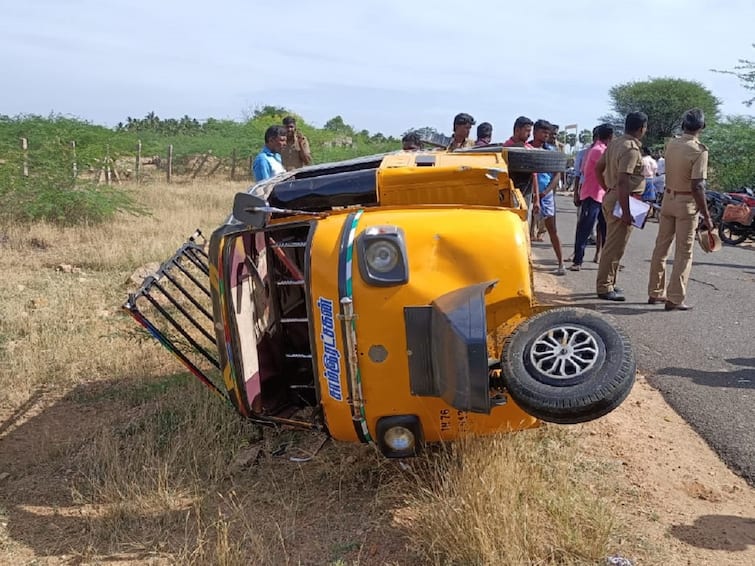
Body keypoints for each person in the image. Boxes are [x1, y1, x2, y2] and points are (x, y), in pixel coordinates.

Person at [647, 108, 713, 311]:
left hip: (668, 198)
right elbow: (698, 186)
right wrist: (707, 216)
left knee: (661, 247)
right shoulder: (699, 151)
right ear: (701, 127)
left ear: (683, 125)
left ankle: (655, 292)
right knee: (684, 252)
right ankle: (675, 298)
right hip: (686, 203)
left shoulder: (672, 144)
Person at [594, 111, 648, 301]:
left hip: (614, 196)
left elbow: (597, 168)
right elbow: (624, 180)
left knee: (616, 245)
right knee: (614, 246)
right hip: (622, 200)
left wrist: (608, 188)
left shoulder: (615, 143)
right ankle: (604, 287)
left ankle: (610, 282)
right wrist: (626, 211)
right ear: (642, 128)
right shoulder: (630, 149)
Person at [569, 123, 613, 271]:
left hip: (598, 194)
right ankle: (578, 260)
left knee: (603, 229)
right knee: (586, 229)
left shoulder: (593, 150)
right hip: (593, 194)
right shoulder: (599, 151)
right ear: (610, 136)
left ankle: (606, 260)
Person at [530, 119, 565, 275]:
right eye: (543, 132)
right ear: (535, 131)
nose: (546, 135)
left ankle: (561, 263)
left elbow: (557, 174)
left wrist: (546, 191)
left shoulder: (551, 151)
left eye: (547, 132)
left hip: (546, 194)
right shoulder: (527, 148)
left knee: (552, 229)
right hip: (528, 194)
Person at [503, 116, 539, 215]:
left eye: (530, 131)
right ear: (517, 130)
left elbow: (534, 175)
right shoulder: (505, 149)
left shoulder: (530, 149)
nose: (529, 134)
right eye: (527, 131)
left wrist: (536, 200)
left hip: (526, 196)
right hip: (507, 195)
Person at [641, 147, 658, 213]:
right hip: (651, 179)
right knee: (650, 198)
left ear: (644, 152)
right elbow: (655, 171)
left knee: (642, 198)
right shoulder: (653, 161)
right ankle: (649, 211)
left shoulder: (642, 160)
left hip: (642, 179)